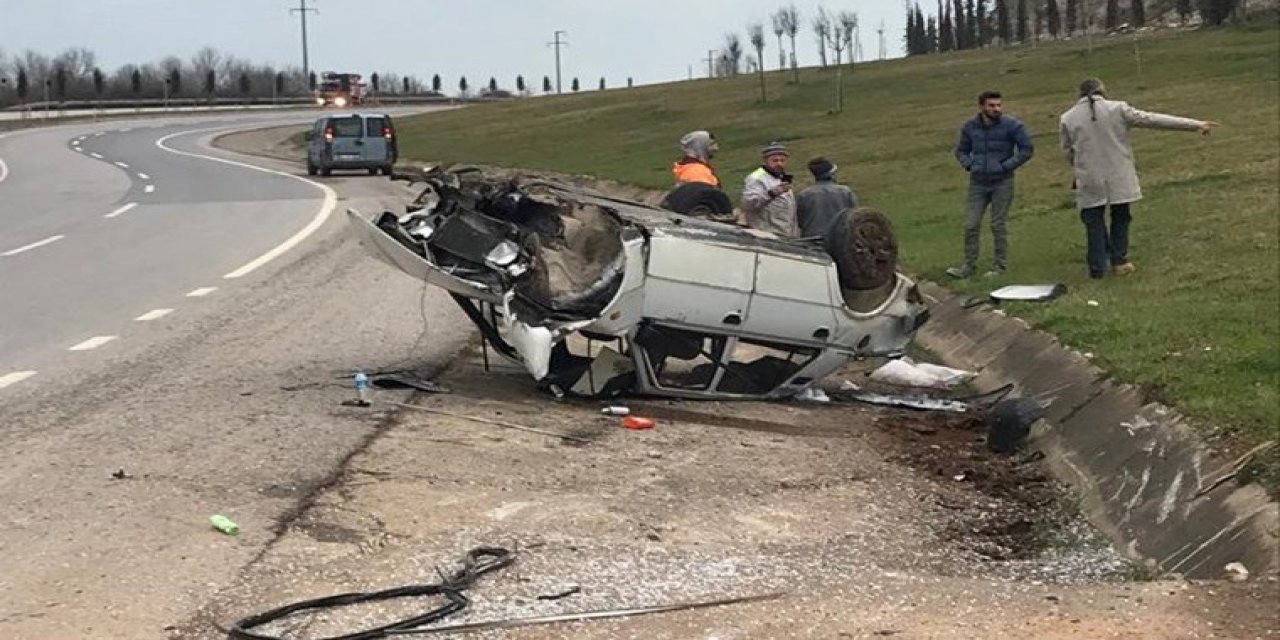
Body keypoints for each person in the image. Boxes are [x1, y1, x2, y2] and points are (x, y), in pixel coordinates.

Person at [1059, 78, 1217, 279]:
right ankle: (1120, 260)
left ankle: (1098, 267)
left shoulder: (1068, 118)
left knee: (1093, 221)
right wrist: (1194, 124)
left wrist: (1079, 167)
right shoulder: (1118, 108)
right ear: (1102, 91)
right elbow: (1152, 119)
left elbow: (1067, 151)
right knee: (1121, 216)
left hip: (1089, 177)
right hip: (1118, 173)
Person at [947, 90, 1035, 279]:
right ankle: (968, 266)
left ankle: (999, 267)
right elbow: (961, 150)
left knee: (998, 224)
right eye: (991, 105)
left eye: (999, 105)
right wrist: (969, 164)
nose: (996, 109)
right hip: (978, 182)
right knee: (971, 224)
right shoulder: (970, 127)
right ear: (981, 107)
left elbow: (1027, 148)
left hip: (1002, 182)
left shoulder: (1012, 125)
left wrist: (1007, 166)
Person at [741, 141, 797, 236]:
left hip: (784, 233)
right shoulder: (756, 178)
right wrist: (771, 193)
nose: (779, 163)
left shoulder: (781, 177)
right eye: (775, 160)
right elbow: (748, 204)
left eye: (782, 160)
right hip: (766, 233)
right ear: (765, 161)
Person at [796, 156, 859, 239]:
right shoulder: (845, 192)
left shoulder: (804, 195)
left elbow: (800, 221)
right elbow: (856, 217)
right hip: (840, 239)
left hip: (812, 241)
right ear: (832, 174)